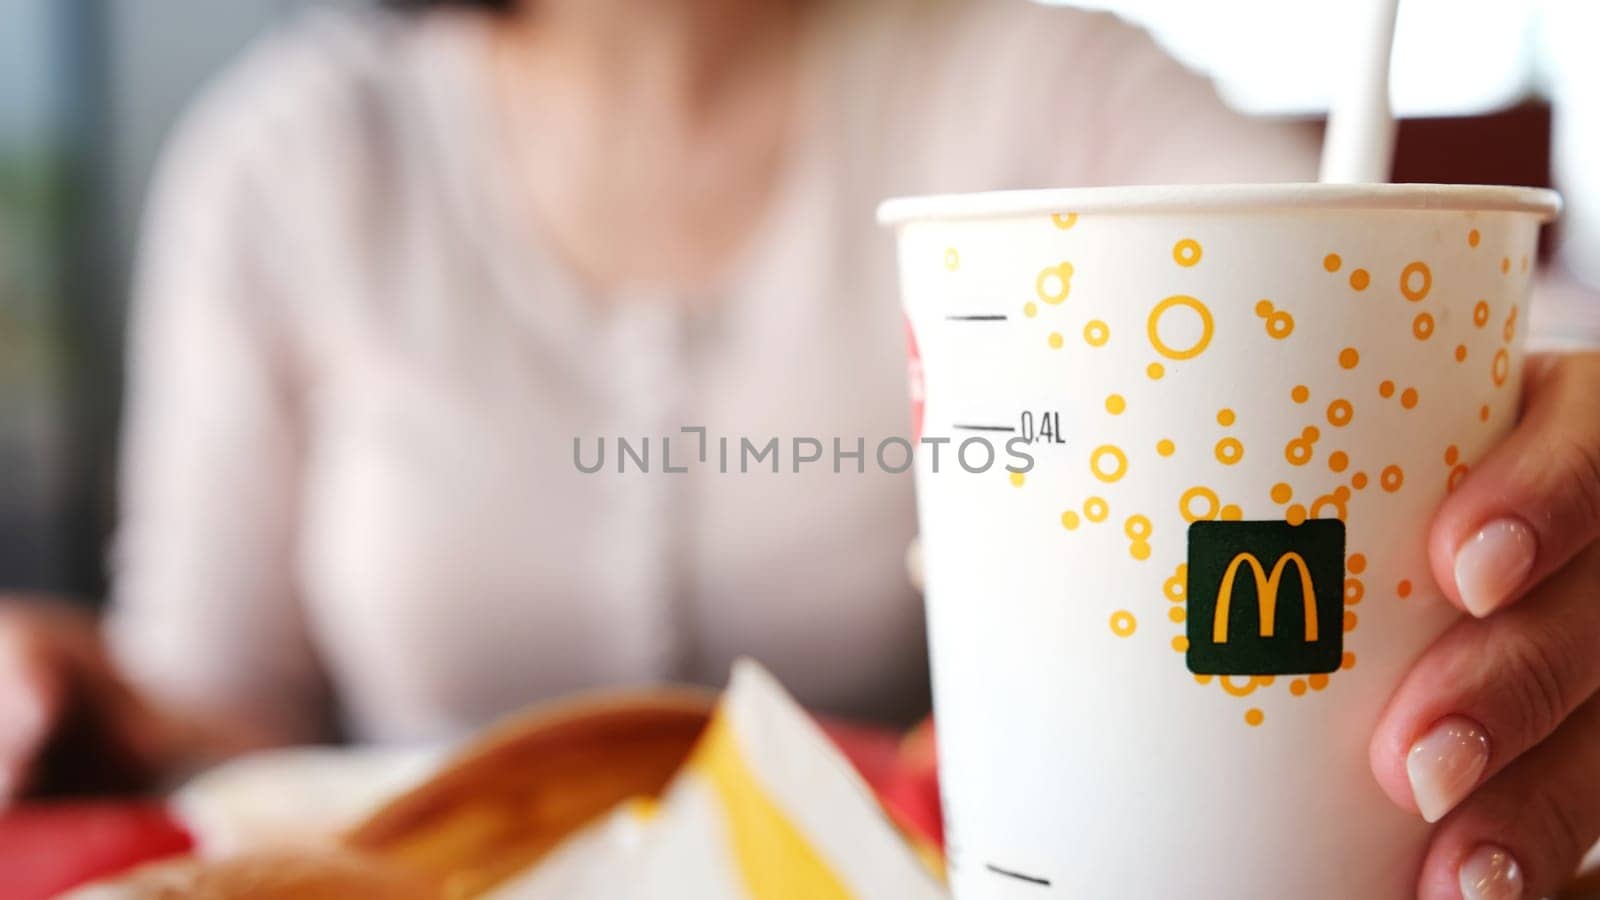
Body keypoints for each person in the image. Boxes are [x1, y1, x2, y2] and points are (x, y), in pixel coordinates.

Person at [0, 1, 1594, 896]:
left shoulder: (1032, 86)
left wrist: (1574, 454)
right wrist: (64, 696)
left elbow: (1420, 328)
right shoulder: (289, 167)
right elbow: (212, 718)